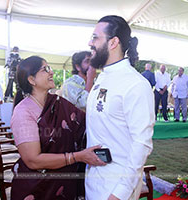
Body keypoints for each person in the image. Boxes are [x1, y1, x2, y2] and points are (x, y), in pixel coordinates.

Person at [10, 56, 105, 200]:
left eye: (50, 68)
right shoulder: (23, 112)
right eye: (45, 69)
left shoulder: (59, 103)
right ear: (31, 80)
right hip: (37, 188)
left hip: (65, 185)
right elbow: (32, 160)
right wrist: (77, 157)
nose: (51, 72)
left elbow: (86, 122)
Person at [85, 15, 155, 200]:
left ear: (113, 42)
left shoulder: (135, 84)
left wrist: (120, 192)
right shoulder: (103, 77)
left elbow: (142, 143)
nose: (89, 42)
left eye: (95, 37)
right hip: (93, 181)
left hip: (115, 189)